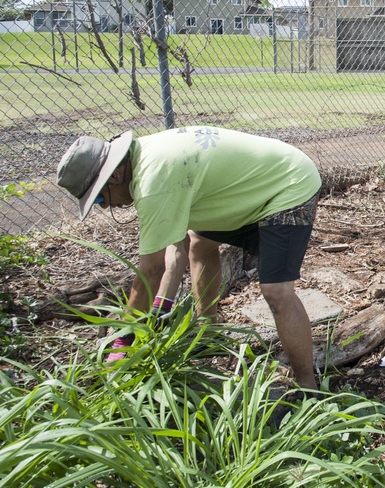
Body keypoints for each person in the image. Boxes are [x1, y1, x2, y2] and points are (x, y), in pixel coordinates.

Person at [56, 127, 323, 388]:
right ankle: (208, 330)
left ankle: (308, 387)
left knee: (276, 291)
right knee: (200, 243)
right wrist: (161, 308)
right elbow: (176, 248)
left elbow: (151, 271)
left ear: (113, 175)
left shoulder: (154, 182)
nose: (104, 205)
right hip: (247, 187)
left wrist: (123, 341)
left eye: (100, 196)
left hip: (288, 184)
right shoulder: (145, 161)